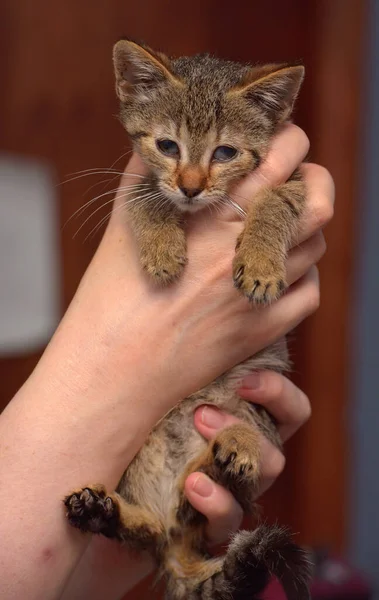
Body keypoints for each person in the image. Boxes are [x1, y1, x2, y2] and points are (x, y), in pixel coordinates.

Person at [0, 124, 334, 600]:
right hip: (159, 461)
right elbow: (144, 196)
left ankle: (141, 523)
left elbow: (294, 194)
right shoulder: (148, 190)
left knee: (249, 411)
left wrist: (271, 222)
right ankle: (145, 519)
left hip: (220, 408)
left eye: (220, 151)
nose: (192, 178)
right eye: (170, 146)